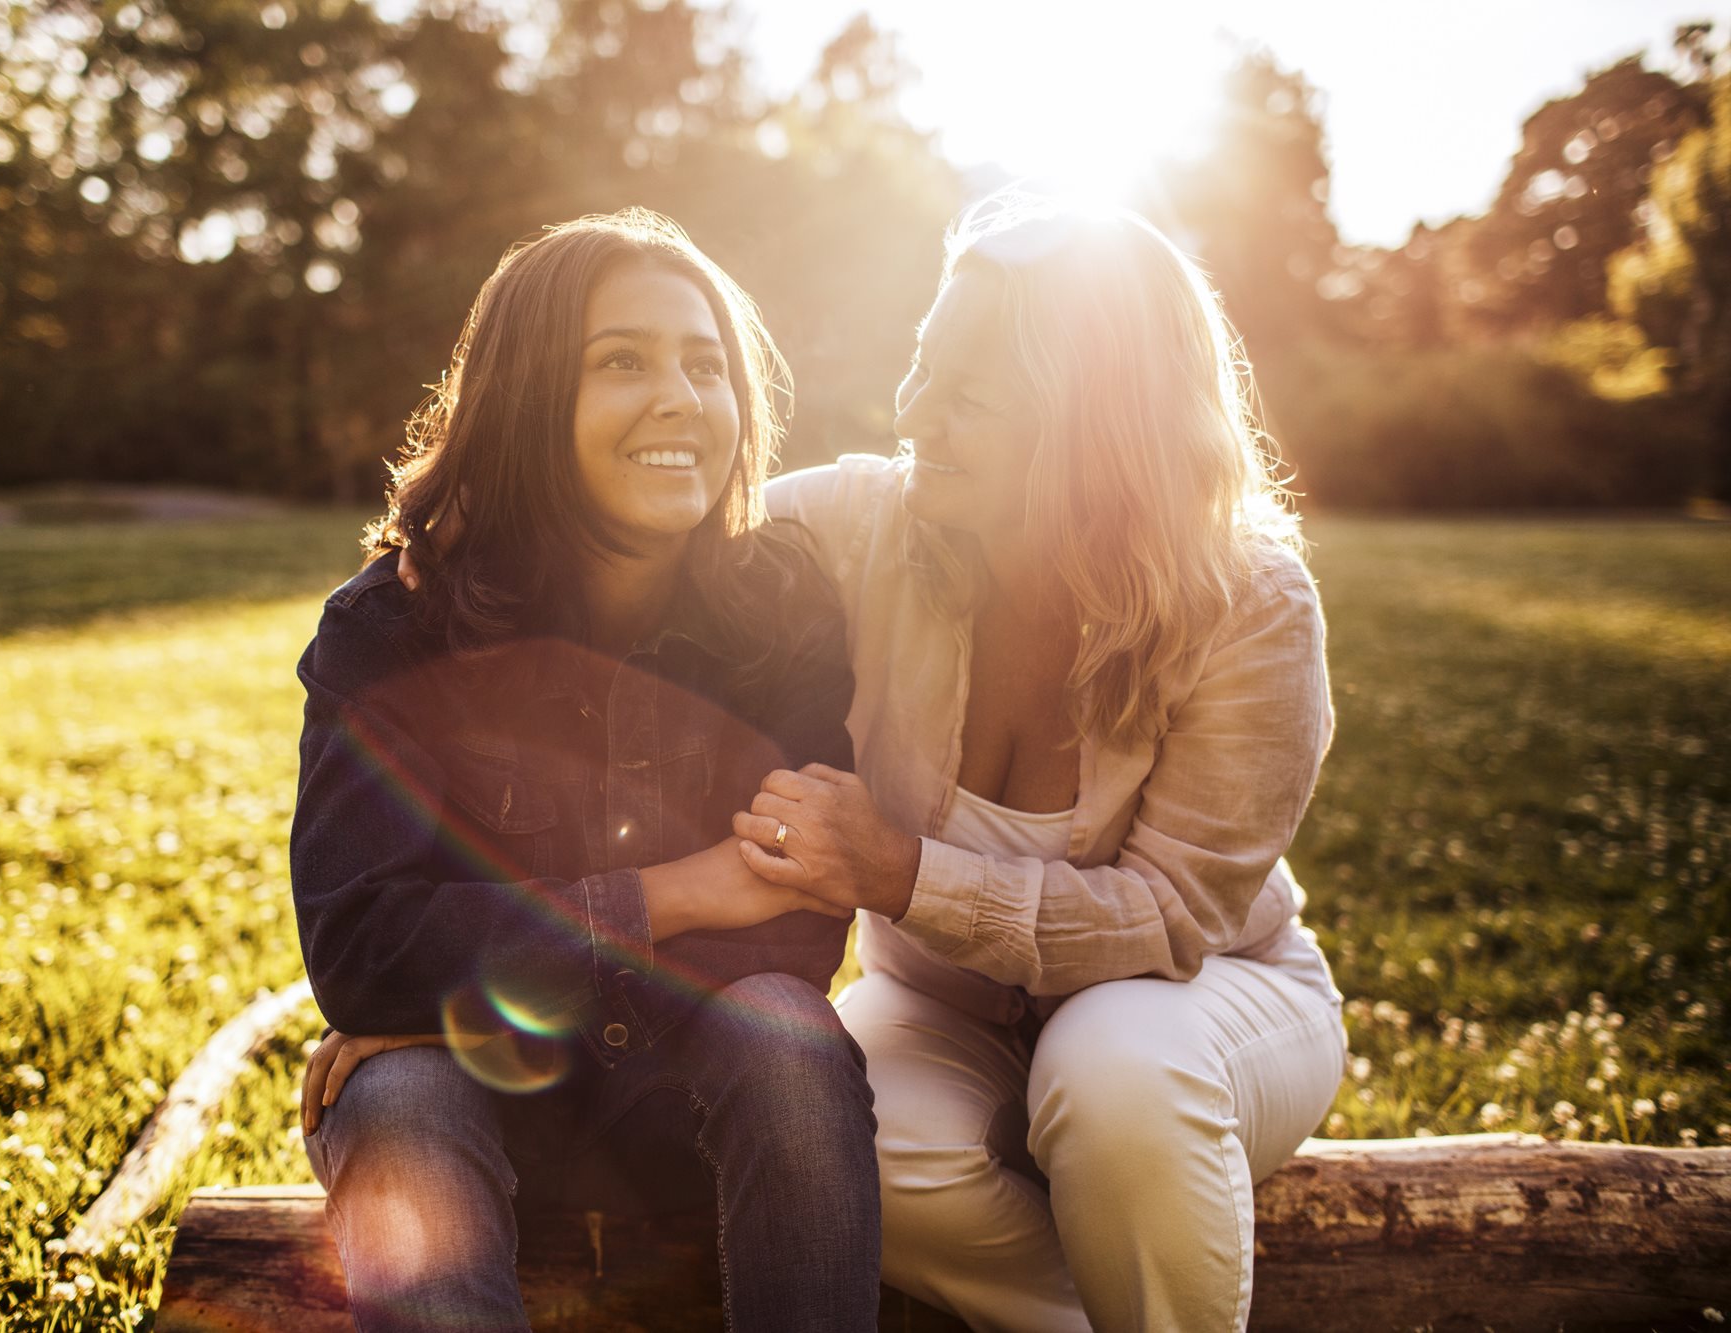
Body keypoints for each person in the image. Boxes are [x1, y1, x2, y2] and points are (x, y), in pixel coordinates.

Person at [723, 193, 1348, 1332]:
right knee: (832, 1115)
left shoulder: (1248, 602)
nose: (915, 412)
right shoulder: (864, 523)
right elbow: (651, 533)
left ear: (1093, 425)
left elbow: (1166, 917)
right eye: (921, 365)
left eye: (968, 393)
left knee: (1113, 1076)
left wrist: (903, 873)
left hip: (1203, 996)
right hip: (941, 1010)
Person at [290, 208, 880, 1333]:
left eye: (704, 365)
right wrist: (679, 892)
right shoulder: (390, 629)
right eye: (622, 361)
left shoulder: (780, 606)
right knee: (400, 1091)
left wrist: (460, 987)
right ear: (523, 393)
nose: (679, 397)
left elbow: (795, 929)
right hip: (472, 1109)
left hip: (693, 1109)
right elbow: (360, 946)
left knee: (786, 1035)